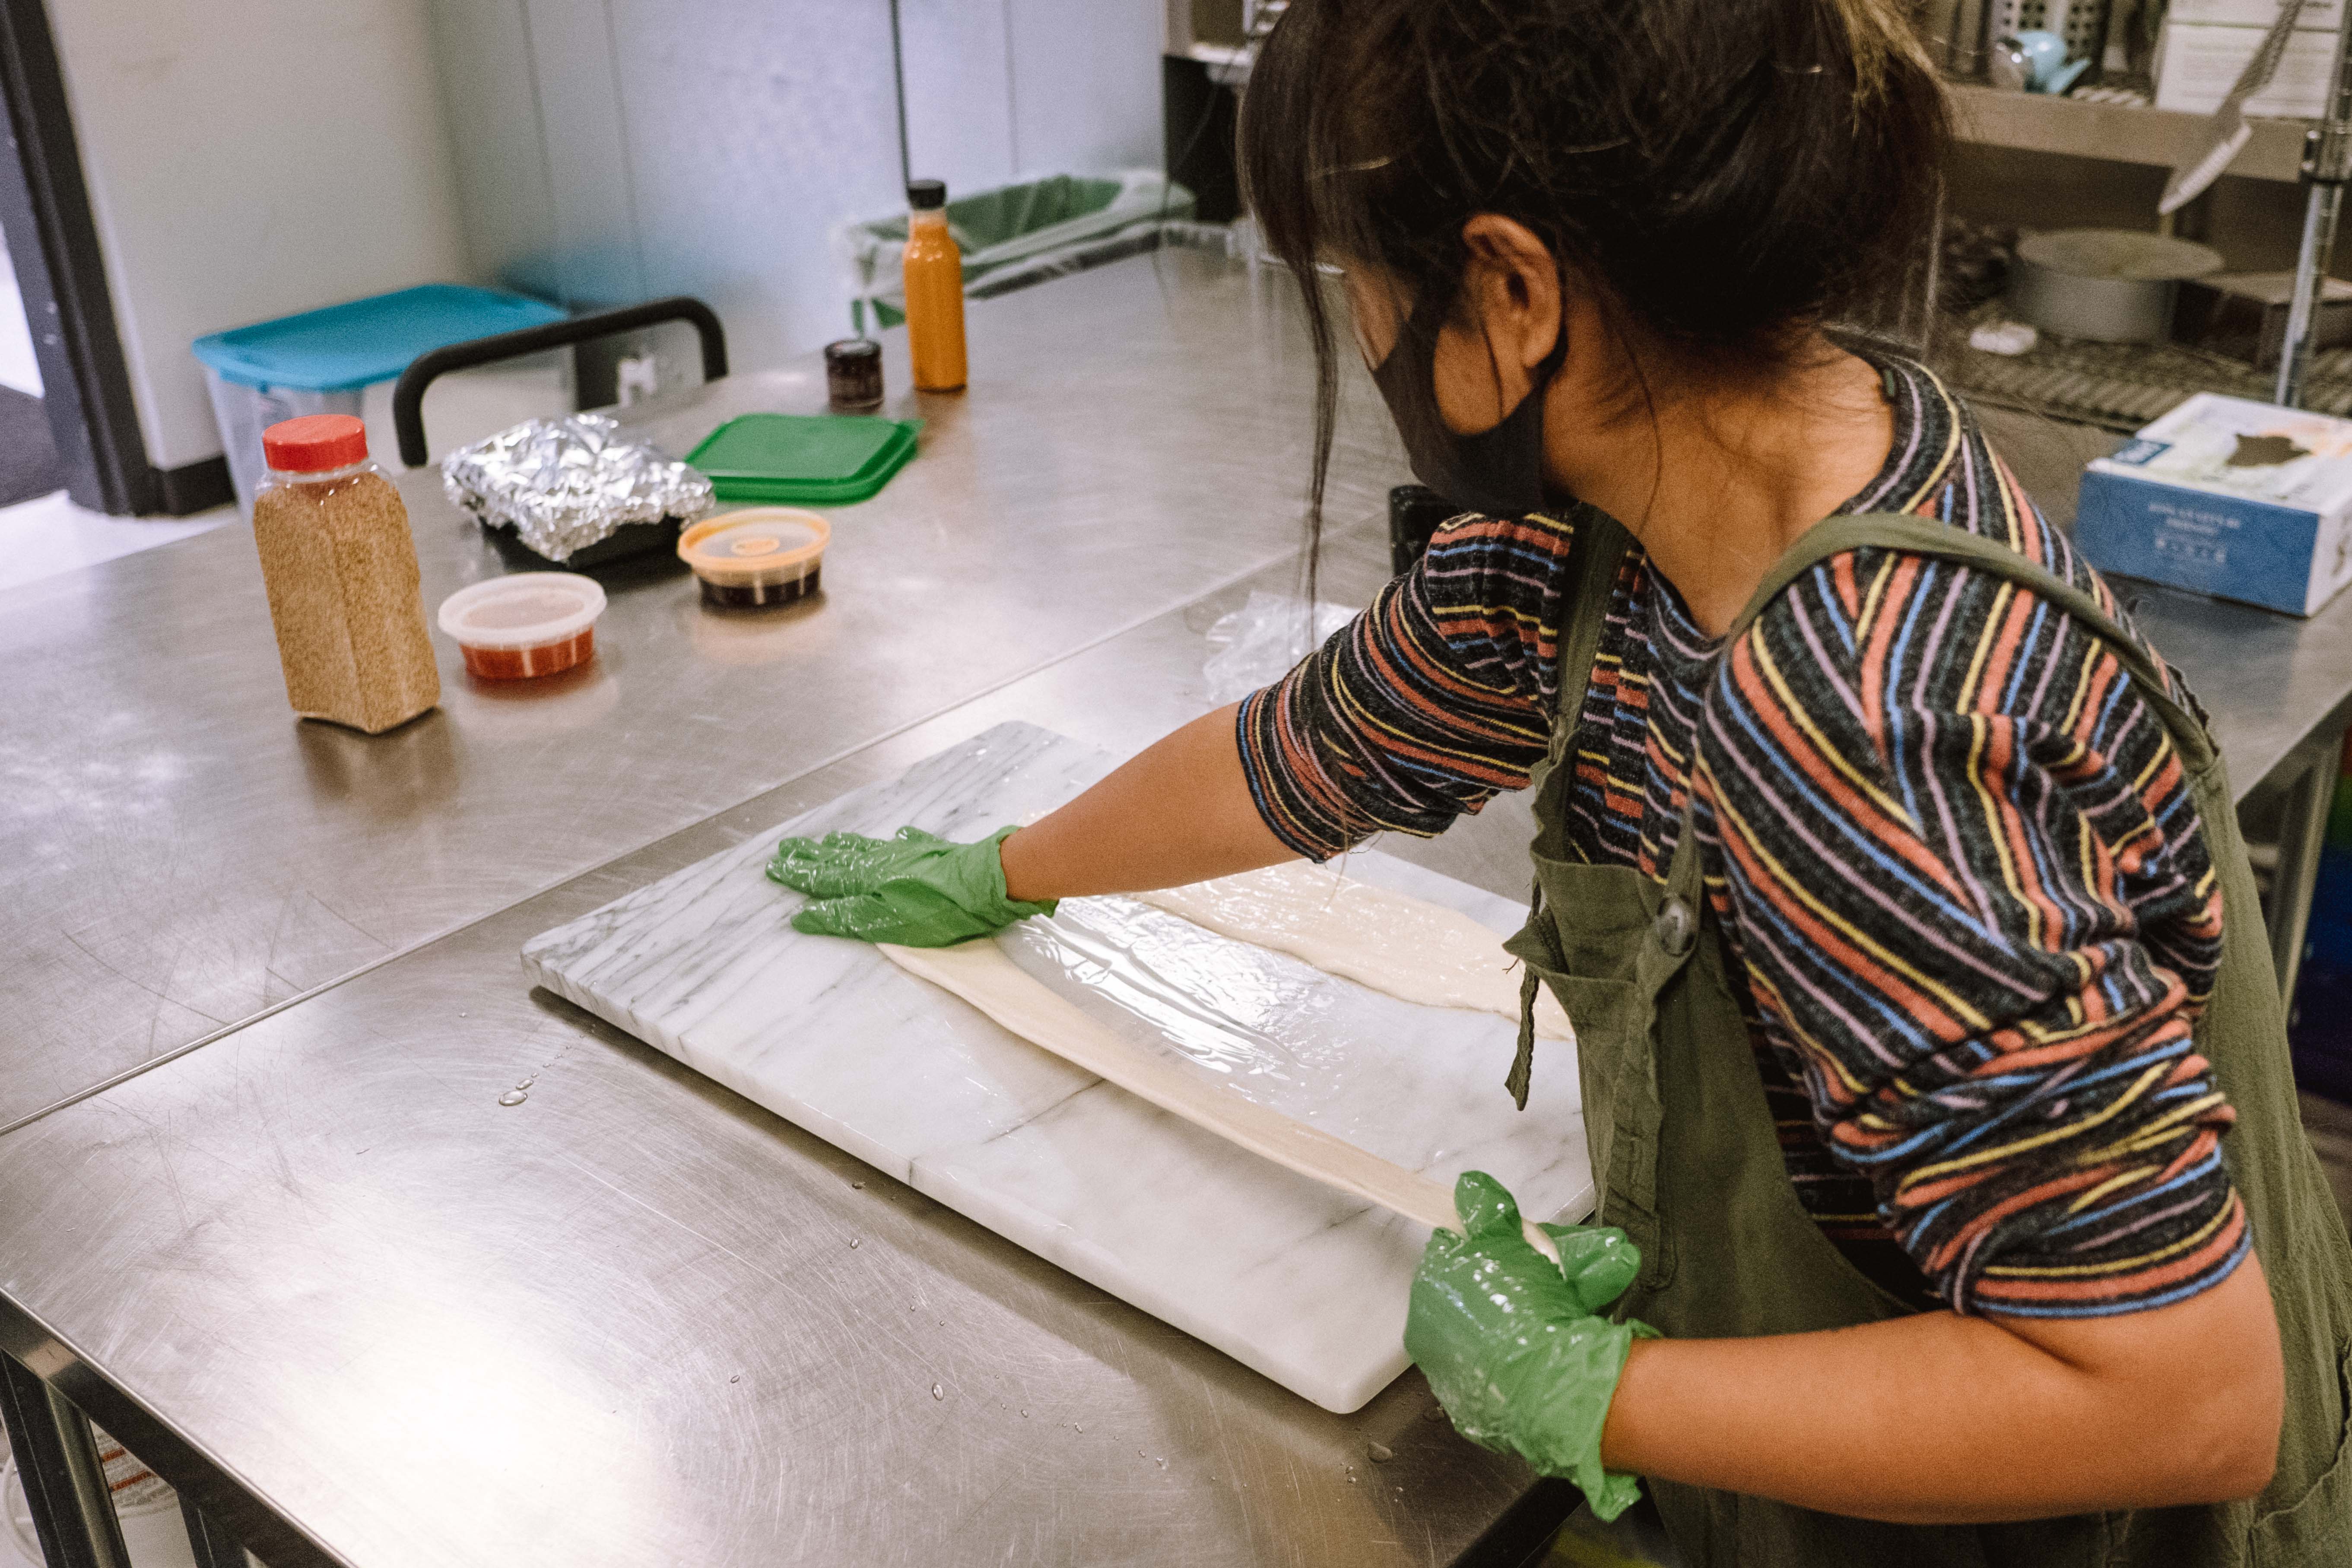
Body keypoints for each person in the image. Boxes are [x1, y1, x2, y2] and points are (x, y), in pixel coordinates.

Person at [768, 0, 2352, 1559]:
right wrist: (1007, 871)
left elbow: (2178, 1395)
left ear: (1512, 291)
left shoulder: (1861, 720)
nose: (1363, 333)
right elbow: (1300, 753)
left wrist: (1591, 1393)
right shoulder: (1627, 513)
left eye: (1361, 278)